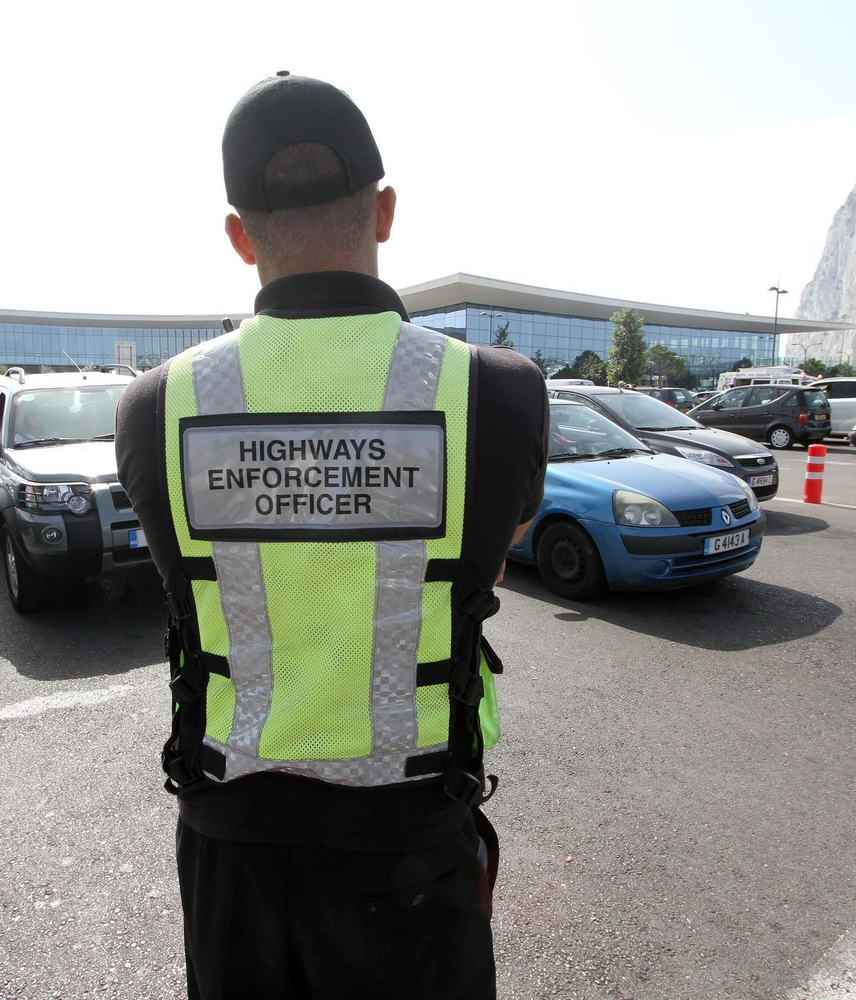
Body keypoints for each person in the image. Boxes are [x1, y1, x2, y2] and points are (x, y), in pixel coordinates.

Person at [115, 73, 547, 999]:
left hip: (234, 844)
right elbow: (493, 552)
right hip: (415, 842)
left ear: (239, 236)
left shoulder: (157, 406)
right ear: (384, 212)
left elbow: (186, 575)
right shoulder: (498, 392)